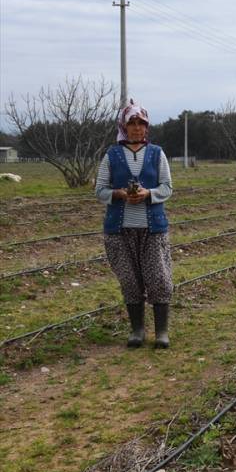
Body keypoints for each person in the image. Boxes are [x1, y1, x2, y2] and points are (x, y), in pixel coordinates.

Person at [96, 99, 174, 348]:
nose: (137, 128)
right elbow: (100, 190)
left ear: (147, 127)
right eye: (132, 123)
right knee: (129, 280)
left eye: (141, 123)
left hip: (152, 229)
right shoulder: (112, 154)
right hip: (119, 230)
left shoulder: (156, 153)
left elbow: (167, 187)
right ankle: (137, 330)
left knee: (158, 278)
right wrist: (119, 194)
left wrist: (148, 194)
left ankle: (161, 331)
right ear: (124, 126)